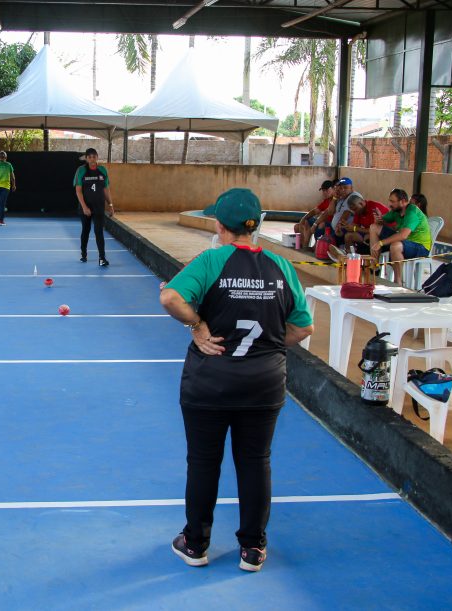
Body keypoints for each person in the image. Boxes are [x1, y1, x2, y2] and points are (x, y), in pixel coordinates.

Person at [160, 188, 313, 572]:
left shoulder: (212, 260)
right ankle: (253, 548)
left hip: (209, 383)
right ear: (256, 225)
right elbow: (303, 327)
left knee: (203, 462)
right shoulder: (281, 266)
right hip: (263, 384)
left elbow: (170, 298)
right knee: (255, 462)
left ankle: (194, 544)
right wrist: (270, 345)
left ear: (218, 225)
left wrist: (197, 326)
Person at [369, 188, 432, 285]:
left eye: (392, 201)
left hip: (420, 246)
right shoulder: (396, 211)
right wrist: (377, 219)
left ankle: (398, 282)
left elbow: (403, 235)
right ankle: (375, 268)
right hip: (406, 242)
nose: (390, 204)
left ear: (402, 202)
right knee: (374, 228)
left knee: (396, 245)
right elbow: (381, 222)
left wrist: (381, 243)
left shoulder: (412, 212)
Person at [73, 147, 115, 266]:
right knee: (85, 231)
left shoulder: (102, 170)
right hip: (85, 208)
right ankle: (83, 254)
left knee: (99, 232)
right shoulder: (81, 170)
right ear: (86, 159)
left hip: (99, 207)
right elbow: (78, 191)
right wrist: (85, 207)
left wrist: (110, 205)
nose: (92, 159)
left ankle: (102, 258)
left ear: (97, 157)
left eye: (94, 156)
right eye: (89, 157)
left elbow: (106, 189)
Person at [293, 180, 334, 249]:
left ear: (333, 189)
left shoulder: (335, 201)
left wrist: (315, 224)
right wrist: (303, 219)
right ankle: (304, 244)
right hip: (321, 222)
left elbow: (326, 213)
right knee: (300, 224)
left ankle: (314, 246)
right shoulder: (326, 201)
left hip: (329, 224)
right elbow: (315, 211)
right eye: (323, 191)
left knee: (321, 224)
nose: (324, 193)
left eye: (326, 190)